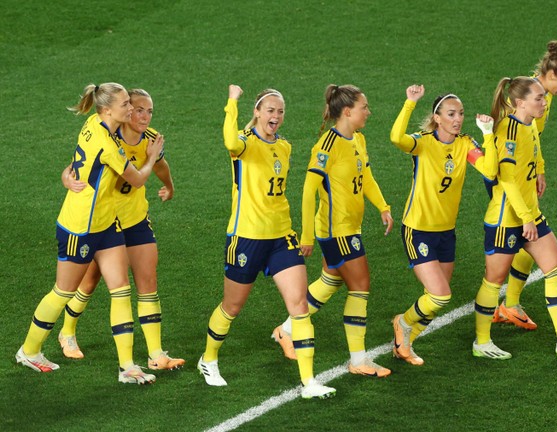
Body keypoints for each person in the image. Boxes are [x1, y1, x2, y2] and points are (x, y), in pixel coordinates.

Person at [16, 82, 163, 384]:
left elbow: (76, 166)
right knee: (63, 292)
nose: (130, 109)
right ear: (108, 109)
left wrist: (67, 177)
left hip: (106, 222)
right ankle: (29, 351)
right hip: (79, 226)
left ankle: (127, 366)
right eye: (125, 105)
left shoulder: (94, 123)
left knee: (120, 289)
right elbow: (136, 180)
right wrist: (152, 157)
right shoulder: (107, 144)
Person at [197, 84, 335, 400]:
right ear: (257, 112)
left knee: (299, 306)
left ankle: (309, 381)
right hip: (245, 238)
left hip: (281, 237)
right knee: (232, 306)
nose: (275, 116)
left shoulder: (284, 147)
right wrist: (231, 102)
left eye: (280, 111)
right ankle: (209, 359)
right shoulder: (244, 145)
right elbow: (230, 140)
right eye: (270, 110)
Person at [57, 89, 184, 371]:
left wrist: (170, 187)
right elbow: (76, 166)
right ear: (125, 112)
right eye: (138, 109)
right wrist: (67, 179)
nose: (144, 116)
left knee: (148, 284)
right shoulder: (110, 138)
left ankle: (156, 354)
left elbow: (160, 165)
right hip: (106, 223)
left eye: (149, 111)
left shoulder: (151, 139)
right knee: (89, 282)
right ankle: (67, 332)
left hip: (136, 219)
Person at [472, 76, 557, 360]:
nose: (544, 102)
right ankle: (481, 342)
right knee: (493, 281)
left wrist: (540, 169)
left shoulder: (528, 123)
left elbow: (536, 146)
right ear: (520, 103)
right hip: (507, 219)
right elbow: (507, 182)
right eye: (538, 98)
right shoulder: (507, 130)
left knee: (555, 268)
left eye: (543, 97)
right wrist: (526, 218)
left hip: (530, 213)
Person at [273, 84, 394, 378]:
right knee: (360, 286)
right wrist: (306, 236)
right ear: (348, 111)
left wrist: (383, 206)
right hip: (336, 230)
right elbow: (308, 191)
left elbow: (366, 178)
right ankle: (358, 359)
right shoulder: (327, 146)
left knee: (331, 280)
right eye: (364, 107)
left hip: (350, 226)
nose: (369, 112)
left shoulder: (358, 140)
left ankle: (286, 330)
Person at [389, 85, 497, 366]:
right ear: (437, 118)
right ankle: (402, 323)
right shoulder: (423, 142)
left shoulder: (464, 144)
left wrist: (488, 135)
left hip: (446, 233)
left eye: (460, 113)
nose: (457, 118)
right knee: (439, 295)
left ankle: (406, 340)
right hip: (418, 229)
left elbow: (489, 169)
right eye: (451, 114)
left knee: (437, 298)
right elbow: (396, 138)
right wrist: (410, 103)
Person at [492, 40, 557, 330]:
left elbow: (533, 139)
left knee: (529, 241)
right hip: (506, 176)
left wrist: (538, 169)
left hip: (524, 173)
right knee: (523, 232)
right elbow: (507, 144)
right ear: (551, 75)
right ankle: (496, 310)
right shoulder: (525, 96)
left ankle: (510, 305)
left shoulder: (542, 97)